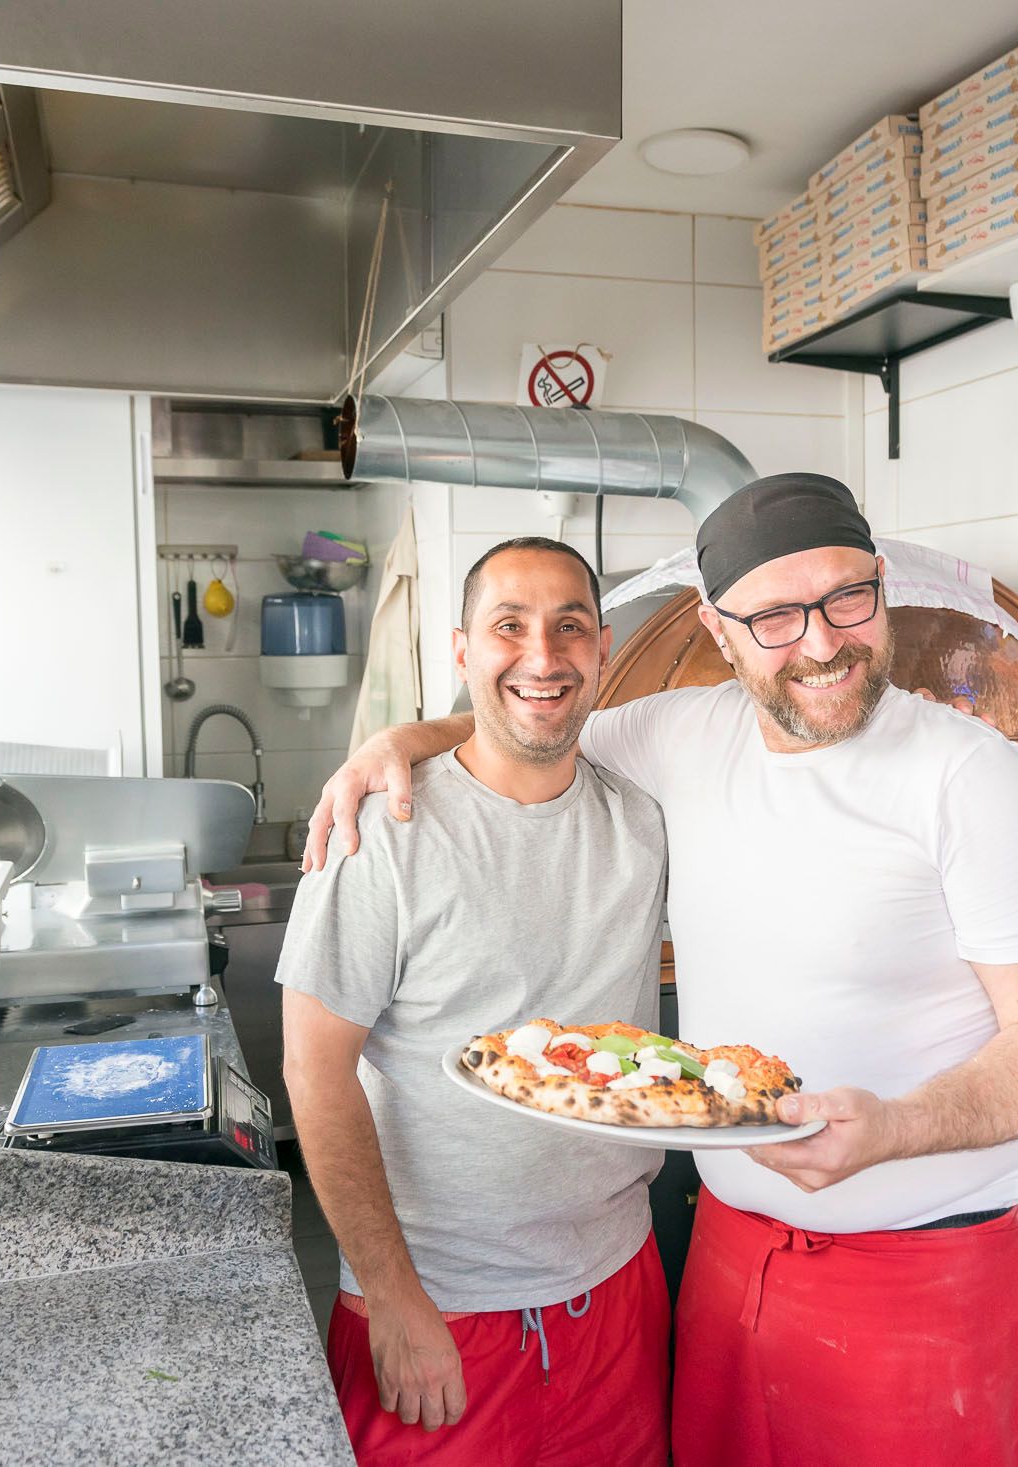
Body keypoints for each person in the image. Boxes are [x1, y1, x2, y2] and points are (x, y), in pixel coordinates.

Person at [303, 475, 1018, 1467]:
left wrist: (900, 1127)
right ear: (716, 629)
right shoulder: (679, 734)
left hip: (922, 1275)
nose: (818, 643)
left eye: (846, 599)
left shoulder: (969, 779)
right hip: (727, 1262)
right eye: (773, 616)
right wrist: (392, 744)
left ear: (881, 587)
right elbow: (526, 725)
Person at [278, 535, 671, 1466]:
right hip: (441, 1311)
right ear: (462, 652)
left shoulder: (642, 823)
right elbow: (314, 1068)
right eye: (509, 627)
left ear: (603, 649)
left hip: (619, 1290)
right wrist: (396, 1298)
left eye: (569, 627)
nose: (542, 656)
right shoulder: (384, 833)